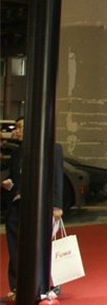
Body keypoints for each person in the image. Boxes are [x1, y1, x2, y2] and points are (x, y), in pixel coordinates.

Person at [1, 117, 64, 293]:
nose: (16, 131)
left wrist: (56, 205)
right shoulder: (18, 151)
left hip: (40, 207)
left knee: (40, 247)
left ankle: (46, 285)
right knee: (15, 248)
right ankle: (16, 287)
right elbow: (16, 177)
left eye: (20, 127)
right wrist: (9, 185)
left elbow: (57, 176)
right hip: (17, 206)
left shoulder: (52, 148)